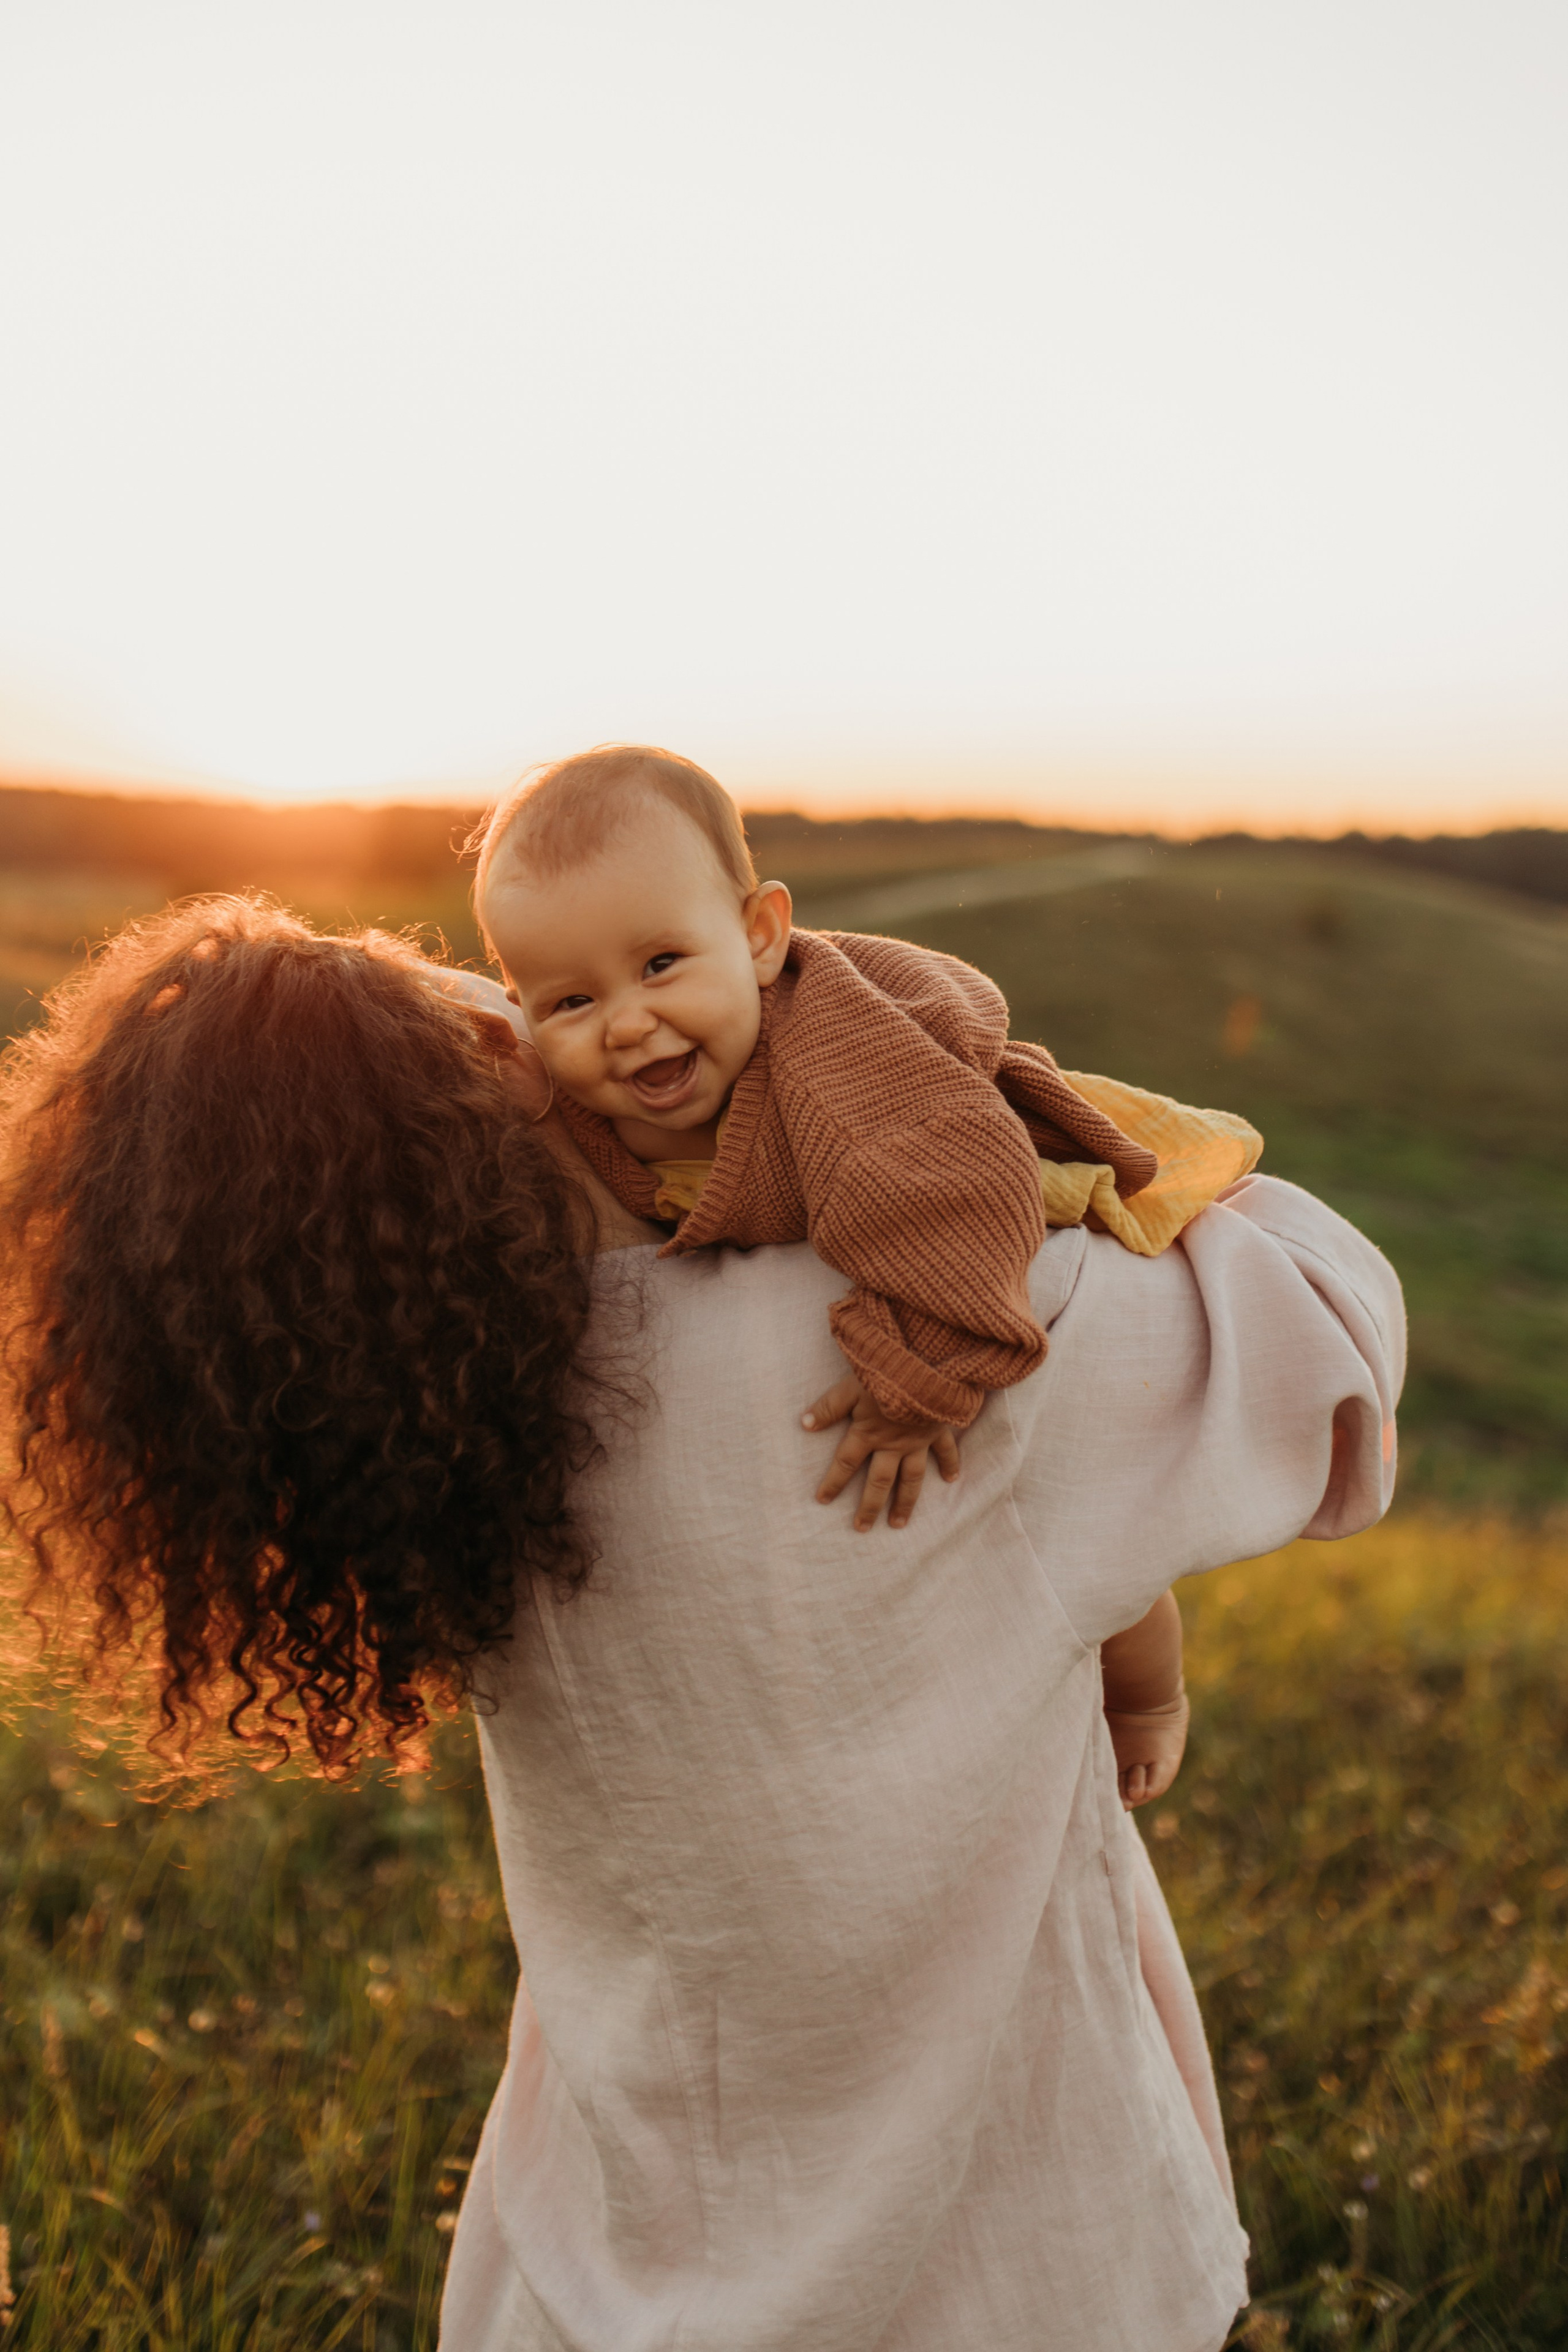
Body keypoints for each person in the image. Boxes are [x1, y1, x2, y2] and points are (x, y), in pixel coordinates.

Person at [0, 897, 1405, 2351]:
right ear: (495, 1067)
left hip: (615, 2256)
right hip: (1012, 2258)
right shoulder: (942, 1343)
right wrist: (923, 1109)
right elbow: (1331, 1323)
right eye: (492, 1000)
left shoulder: (436, 1444)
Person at [473, 746, 1262, 1529]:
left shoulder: (844, 1085)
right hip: (912, 1166)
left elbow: (966, 1203)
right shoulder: (567, 1096)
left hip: (981, 1159)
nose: (626, 1024)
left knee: (1085, 1502)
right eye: (572, 1002)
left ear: (760, 937)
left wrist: (917, 1381)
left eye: (661, 964)